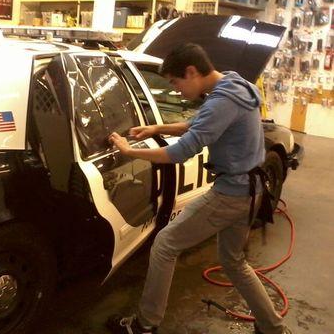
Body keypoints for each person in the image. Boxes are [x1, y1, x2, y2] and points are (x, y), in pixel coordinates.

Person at [106, 43, 290, 334]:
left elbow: (178, 154)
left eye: (175, 82)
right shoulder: (233, 83)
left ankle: (145, 325)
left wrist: (131, 152)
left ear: (191, 72)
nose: (176, 90)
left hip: (232, 193)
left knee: (165, 245)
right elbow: (201, 123)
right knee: (233, 261)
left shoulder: (221, 101)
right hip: (252, 189)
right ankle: (272, 328)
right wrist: (157, 129)